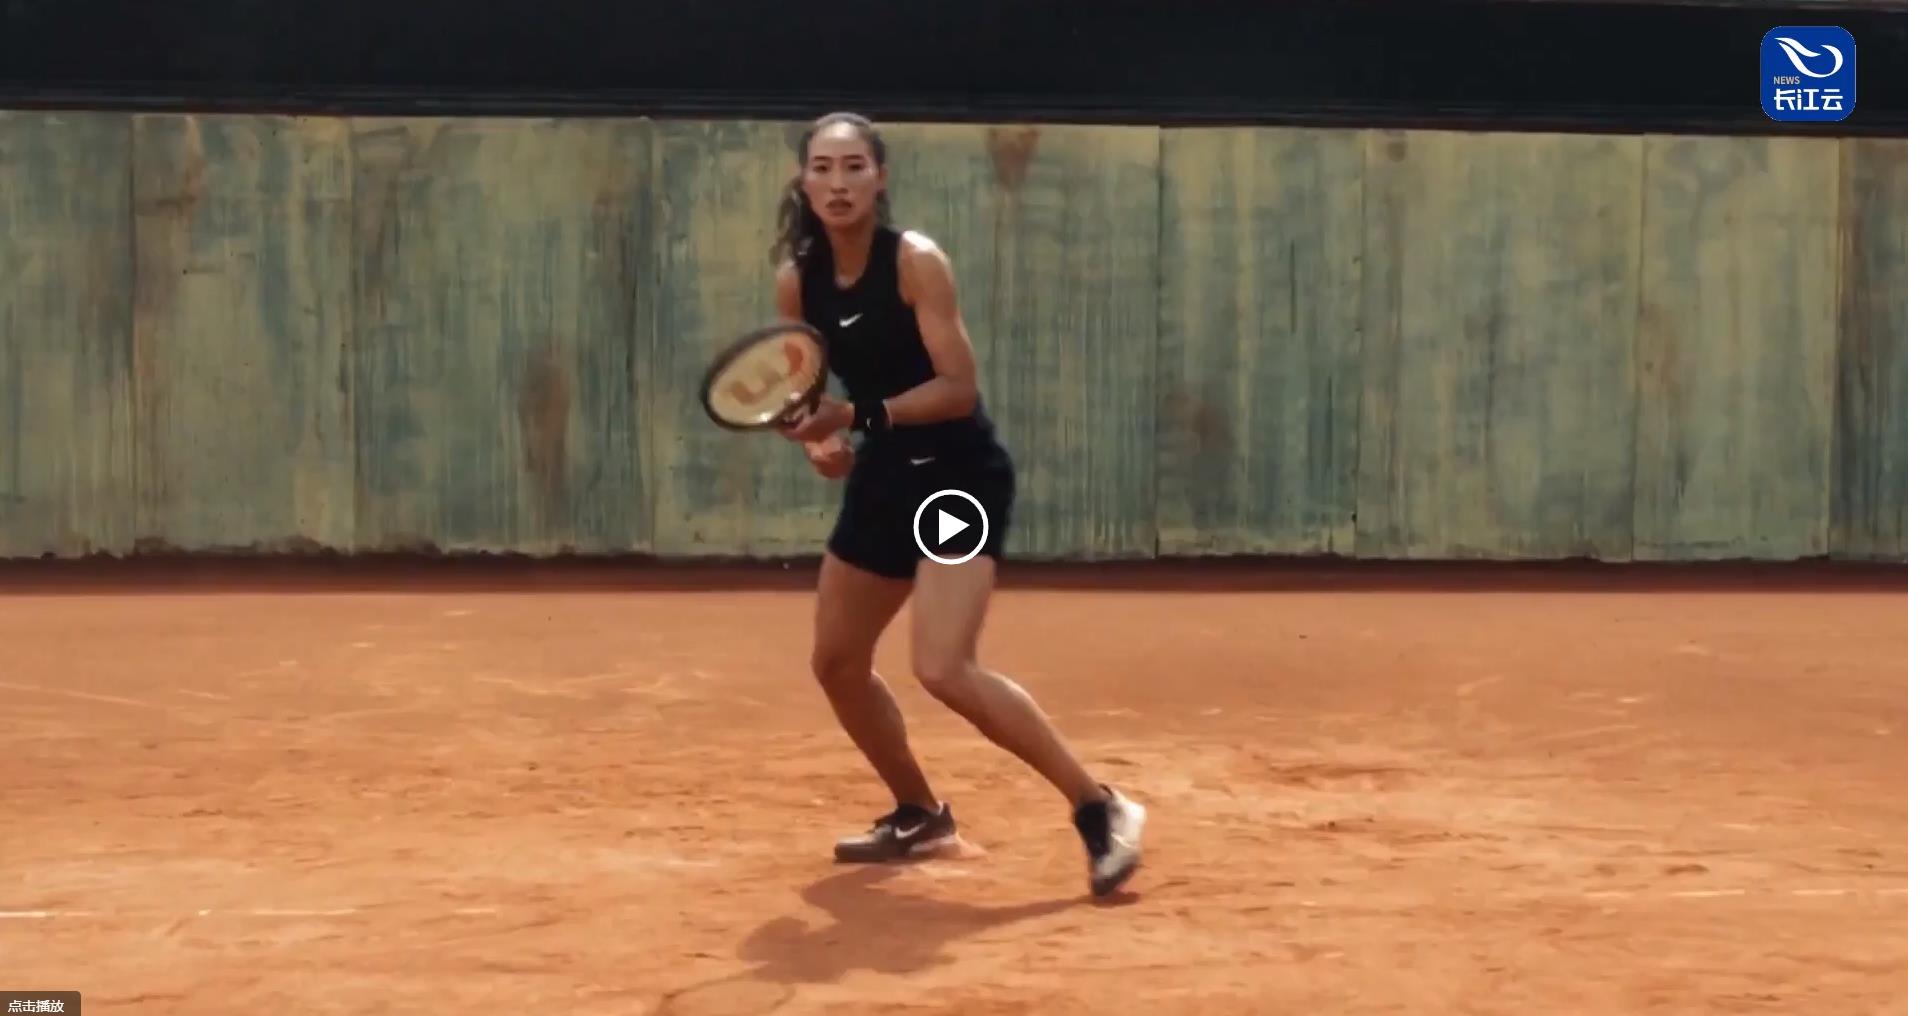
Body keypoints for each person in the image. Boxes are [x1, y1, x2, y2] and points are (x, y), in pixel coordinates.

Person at [769, 112, 1146, 898]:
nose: (838, 183)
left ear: (880, 177)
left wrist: (854, 417)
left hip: (955, 478)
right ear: (803, 182)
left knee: (942, 666)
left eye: (854, 167)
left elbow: (957, 389)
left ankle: (1099, 808)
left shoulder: (916, 262)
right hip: (885, 478)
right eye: (823, 168)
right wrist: (818, 443)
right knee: (837, 662)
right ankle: (920, 815)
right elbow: (807, 395)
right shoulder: (797, 280)